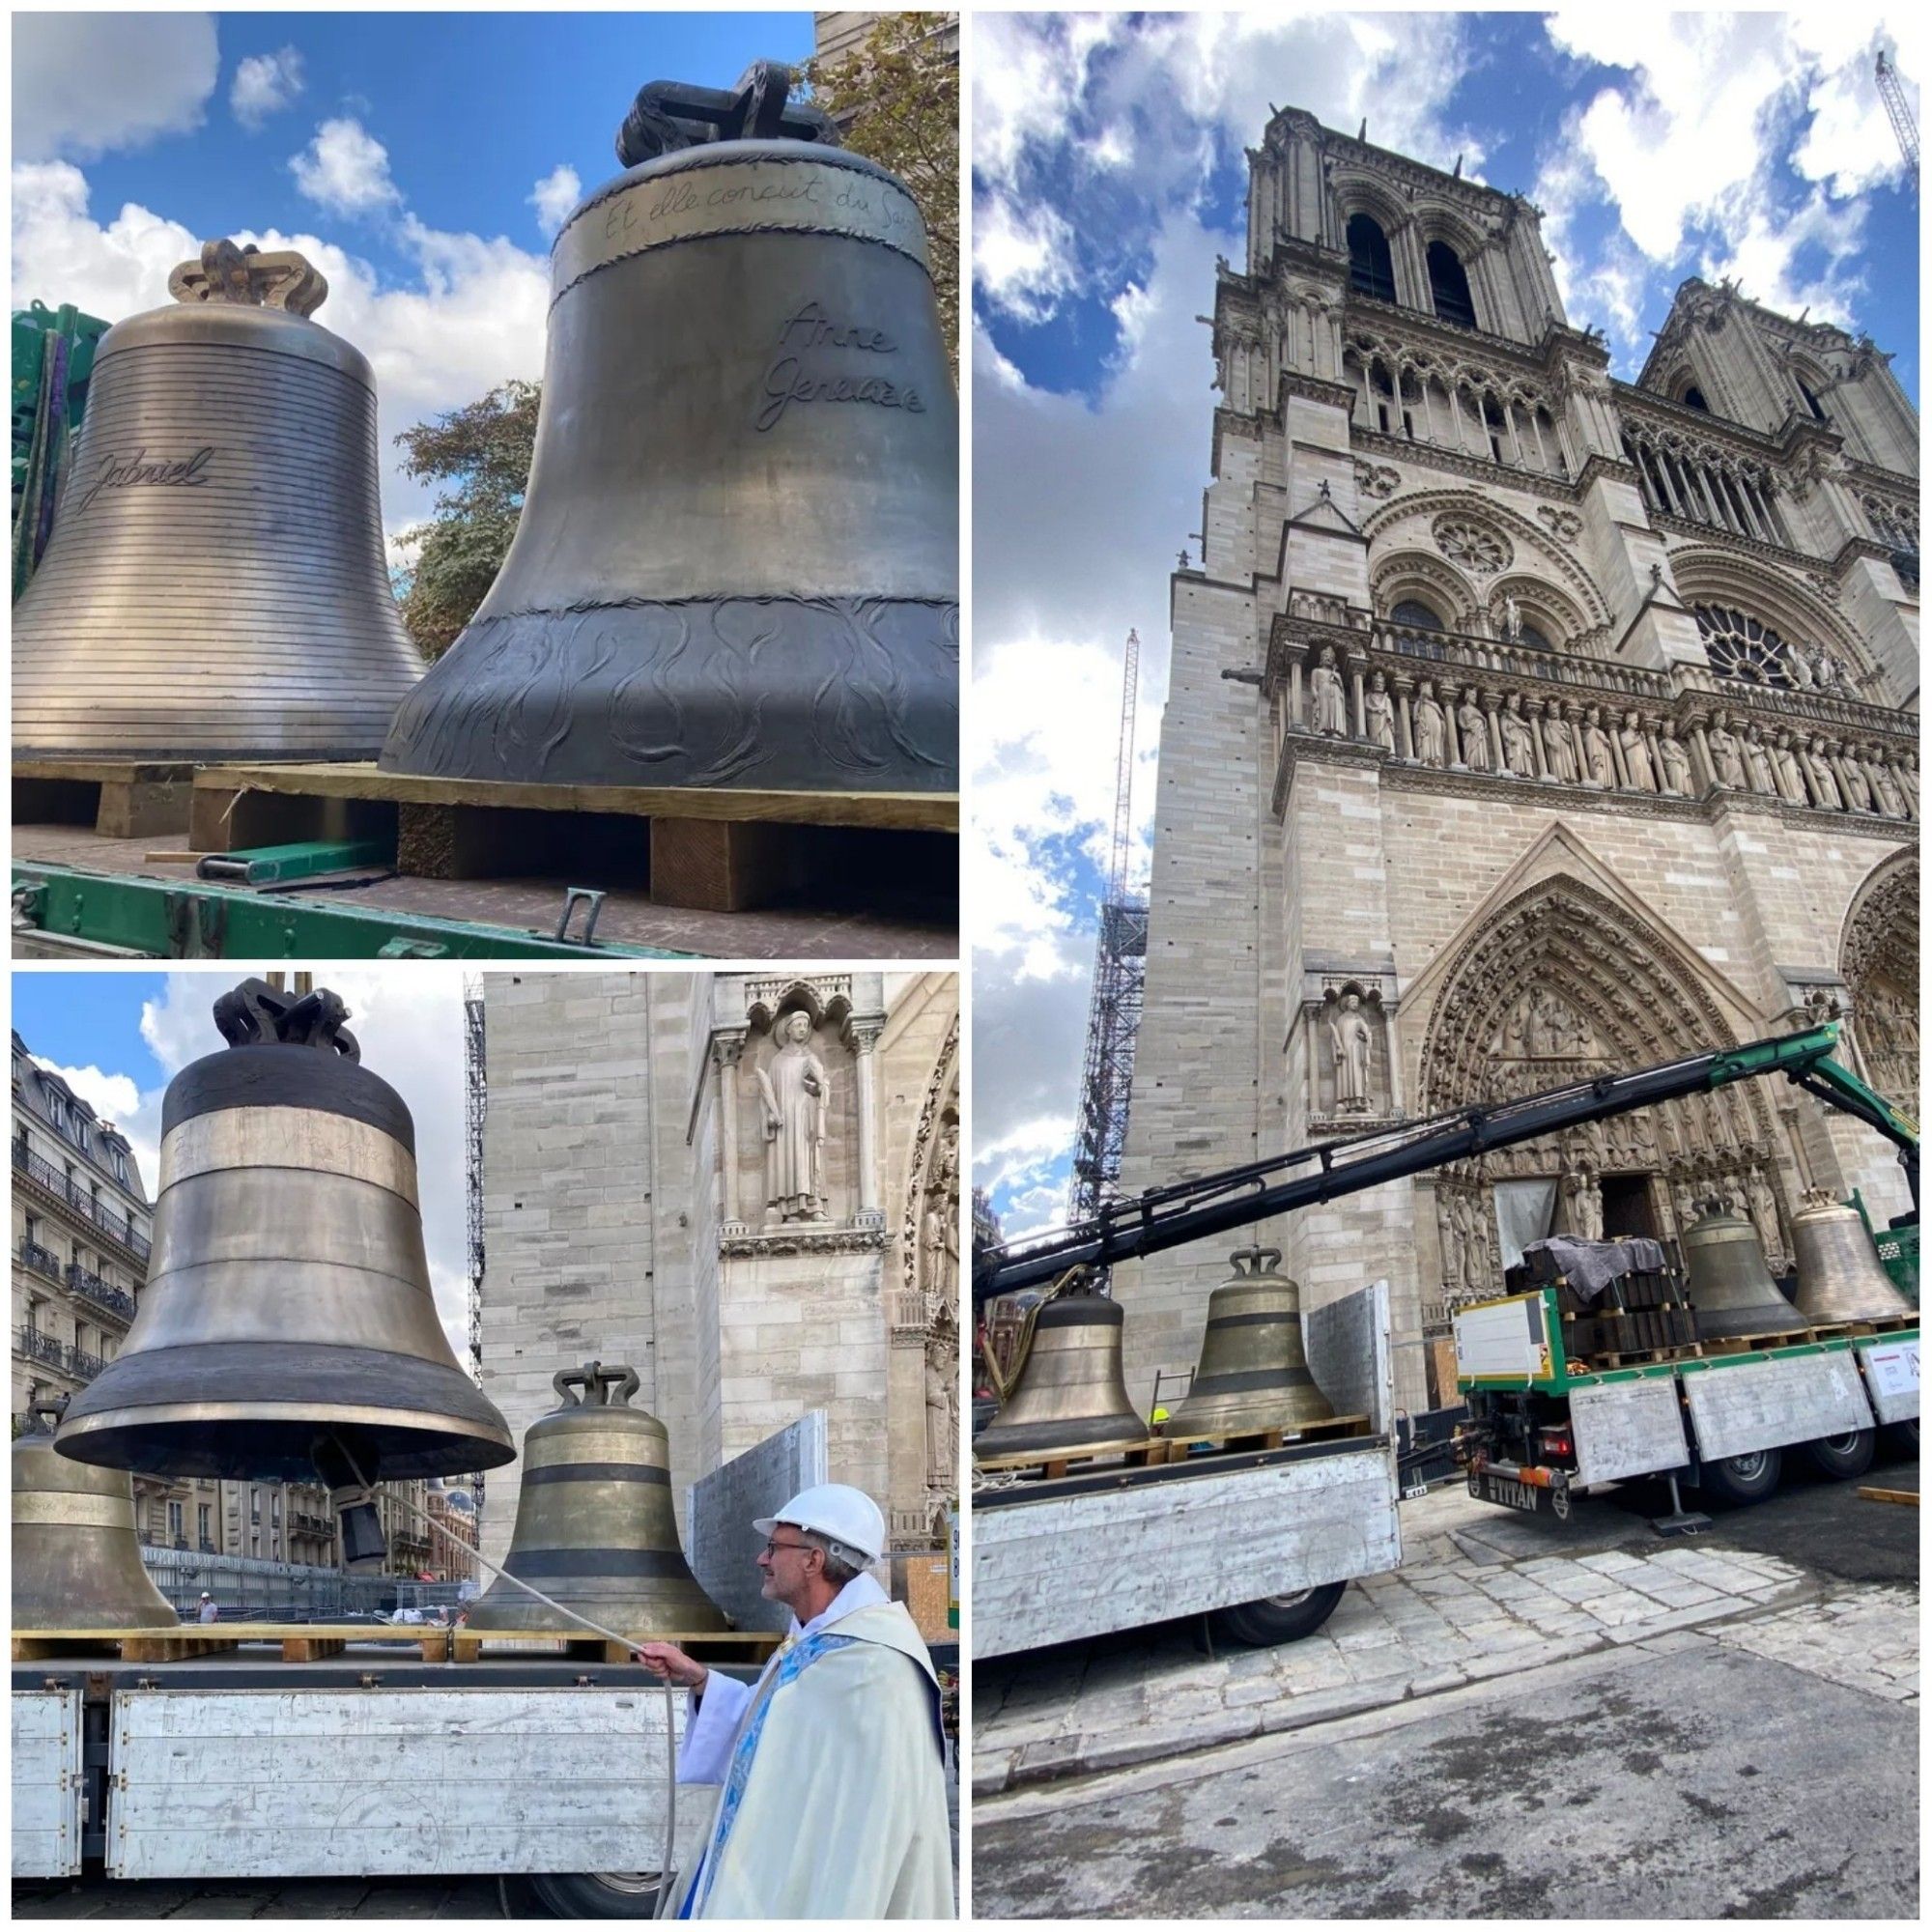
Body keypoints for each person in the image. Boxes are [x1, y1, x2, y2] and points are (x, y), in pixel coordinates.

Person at [637, 1484, 951, 1918]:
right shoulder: (814, 1638)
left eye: (773, 1547)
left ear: (813, 1560)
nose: (761, 1559)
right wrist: (701, 1679)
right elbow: (769, 1726)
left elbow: (869, 1826)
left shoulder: (875, 1664)